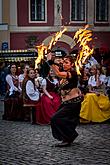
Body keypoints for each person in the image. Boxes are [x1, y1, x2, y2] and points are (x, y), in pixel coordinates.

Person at [46, 52, 83, 147]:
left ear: (72, 64)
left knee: (56, 118)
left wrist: (50, 61)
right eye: (64, 62)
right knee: (60, 120)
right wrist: (52, 61)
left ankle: (68, 138)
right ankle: (68, 138)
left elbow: (57, 73)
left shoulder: (72, 74)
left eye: (67, 62)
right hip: (66, 103)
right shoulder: (63, 75)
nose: (64, 64)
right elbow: (57, 70)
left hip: (73, 103)